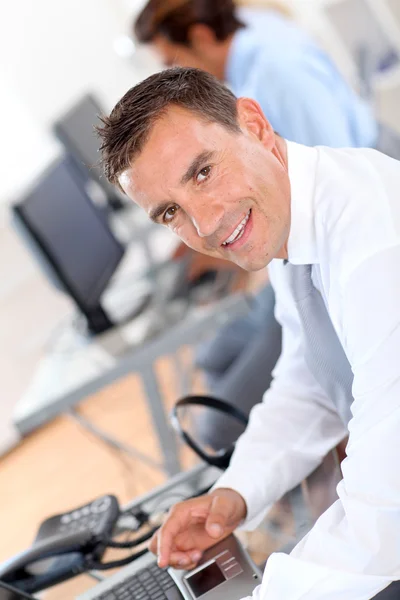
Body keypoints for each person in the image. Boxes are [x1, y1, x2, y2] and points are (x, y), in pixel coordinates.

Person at [98, 67, 400, 599]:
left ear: (254, 124)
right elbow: (311, 373)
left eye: (202, 172)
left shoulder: (373, 244)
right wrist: (235, 492)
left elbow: (387, 511)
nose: (207, 225)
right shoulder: (294, 214)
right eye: (171, 212)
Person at [133, 0, 400, 448]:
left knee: (218, 424)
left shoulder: (277, 72)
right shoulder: (248, 41)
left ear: (199, 37)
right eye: (169, 212)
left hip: (326, 238)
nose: (170, 77)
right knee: (214, 356)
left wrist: (230, 238)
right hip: (296, 243)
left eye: (169, 60)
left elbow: (325, 180)